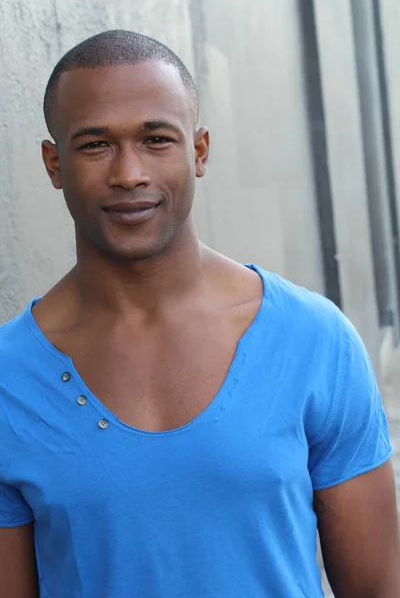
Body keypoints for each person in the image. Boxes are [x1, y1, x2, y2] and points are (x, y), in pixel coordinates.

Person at [0, 29, 399, 598]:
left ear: (200, 150)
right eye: (94, 145)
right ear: (53, 162)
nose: (129, 173)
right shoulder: (10, 377)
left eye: (157, 139)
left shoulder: (313, 339)